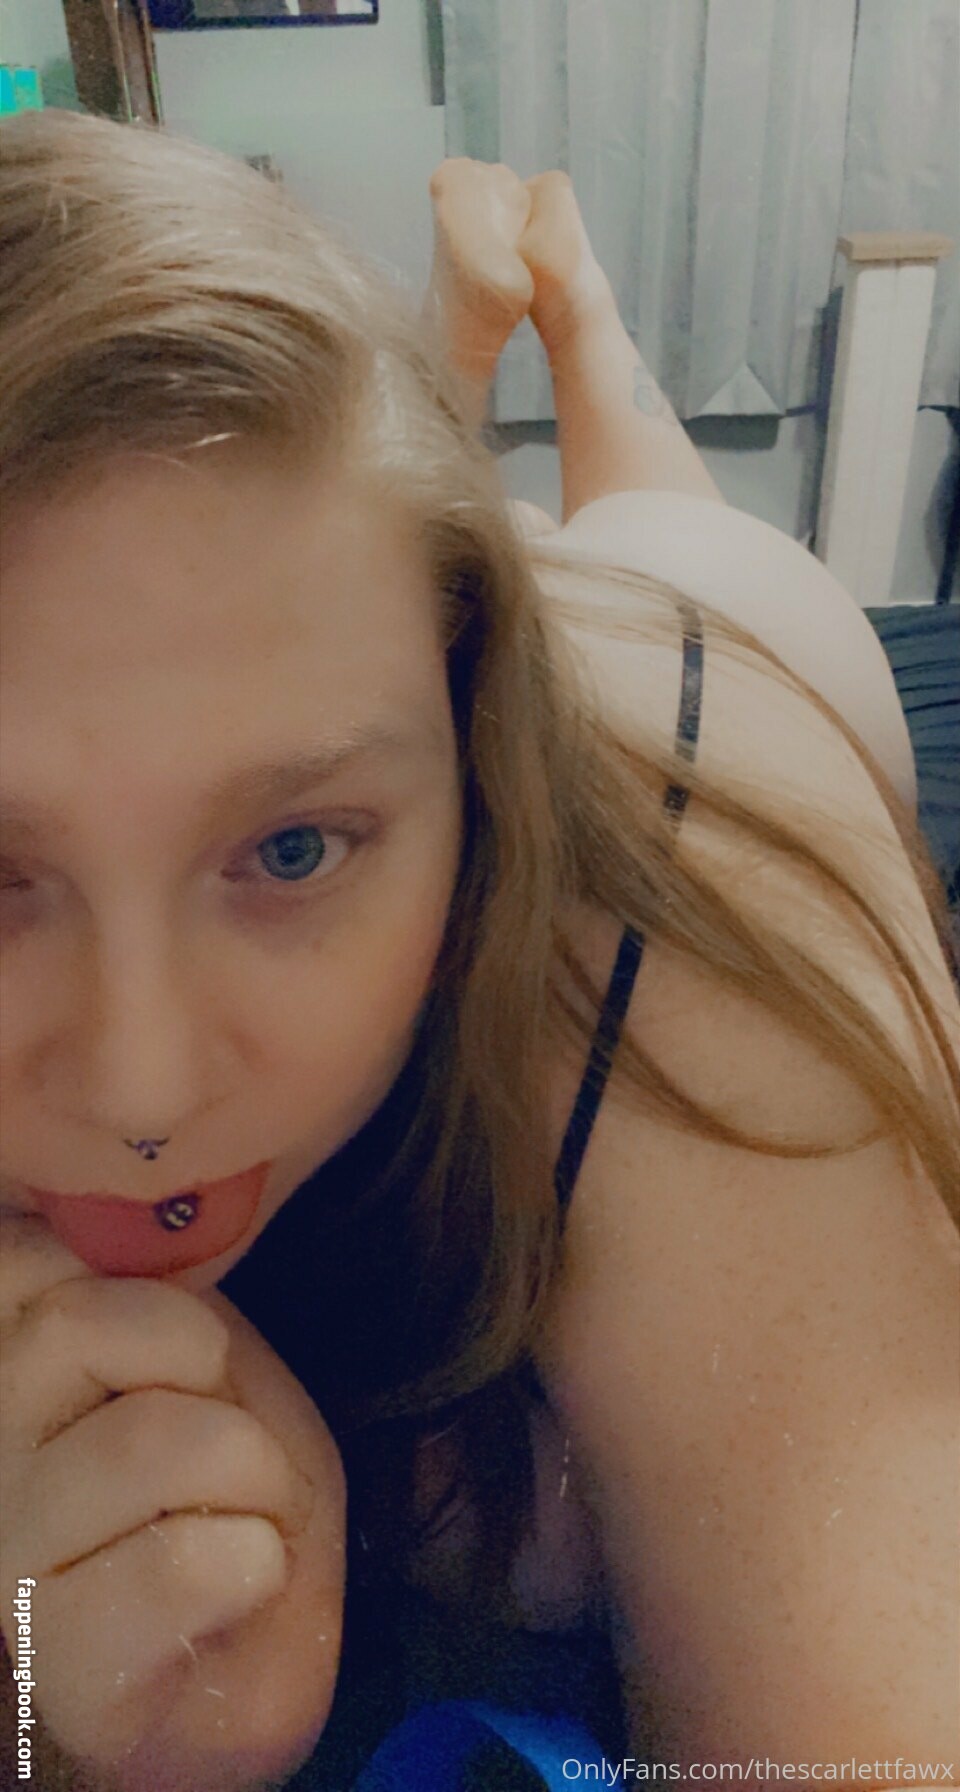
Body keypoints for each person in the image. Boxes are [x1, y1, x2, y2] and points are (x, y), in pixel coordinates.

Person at [0, 111, 956, 1792]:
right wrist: (38, 1723)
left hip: (709, 636)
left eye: (295, 848)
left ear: (466, 741)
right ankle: (470, 351)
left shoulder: (651, 858)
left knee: (647, 512)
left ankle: (573, 315)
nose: (143, 1091)